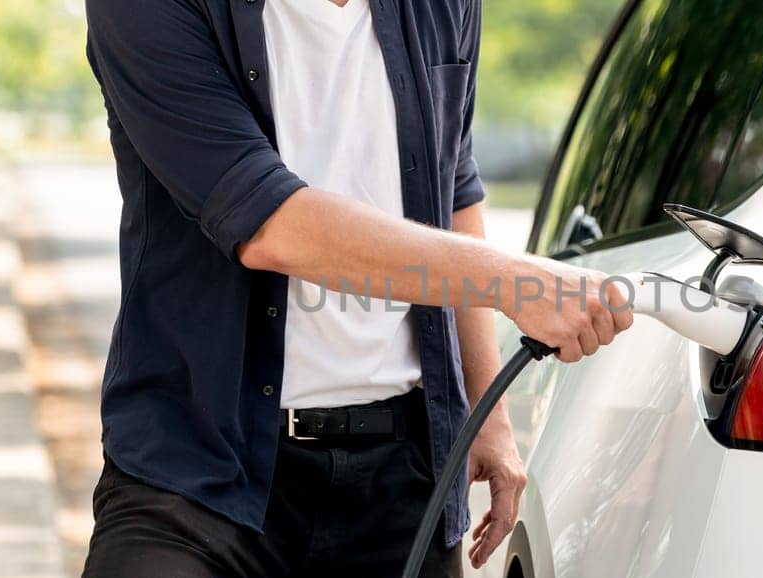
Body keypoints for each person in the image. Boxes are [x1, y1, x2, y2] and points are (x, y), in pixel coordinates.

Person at [79, 0, 634, 575]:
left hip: (402, 480)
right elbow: (266, 221)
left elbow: (453, 189)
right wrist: (513, 281)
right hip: (194, 475)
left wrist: (487, 416)